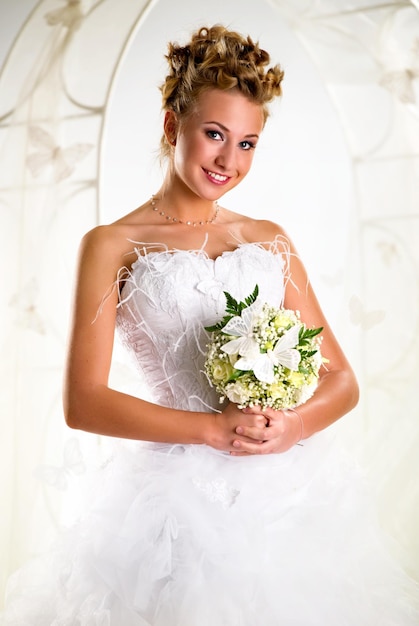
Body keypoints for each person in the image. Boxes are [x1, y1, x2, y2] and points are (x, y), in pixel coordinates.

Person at [2, 24, 419, 626]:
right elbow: (83, 402)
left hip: (284, 492)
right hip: (173, 502)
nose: (229, 160)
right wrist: (212, 430)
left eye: (248, 143)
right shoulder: (111, 245)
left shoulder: (269, 240)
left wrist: (293, 424)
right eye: (215, 134)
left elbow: (342, 379)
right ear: (173, 126)